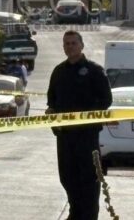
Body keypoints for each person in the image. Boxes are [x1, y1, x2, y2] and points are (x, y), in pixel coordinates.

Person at [46, 30, 112, 220]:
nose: (70, 46)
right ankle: (75, 214)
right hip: (65, 137)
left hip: (87, 137)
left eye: (73, 43)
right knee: (67, 178)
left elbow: (106, 99)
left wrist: (87, 115)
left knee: (89, 181)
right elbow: (52, 101)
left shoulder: (94, 71)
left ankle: (89, 217)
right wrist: (51, 114)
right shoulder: (59, 72)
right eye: (66, 44)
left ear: (82, 46)